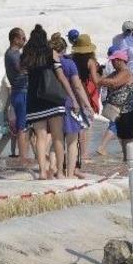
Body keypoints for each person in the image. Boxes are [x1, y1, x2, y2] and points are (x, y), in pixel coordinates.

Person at [22, 25, 75, 180]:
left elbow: (21, 71)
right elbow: (61, 77)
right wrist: (71, 97)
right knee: (58, 136)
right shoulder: (51, 53)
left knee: (41, 137)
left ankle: (42, 172)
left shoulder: (27, 55)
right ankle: (60, 172)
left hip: (34, 99)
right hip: (52, 98)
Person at [50, 33, 94, 178]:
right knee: (72, 141)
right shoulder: (69, 64)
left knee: (56, 140)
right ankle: (69, 174)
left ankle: (53, 169)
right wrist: (88, 105)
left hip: (52, 104)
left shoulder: (48, 64)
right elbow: (77, 87)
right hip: (69, 104)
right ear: (64, 49)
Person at [97, 48, 133, 144]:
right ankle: (126, 154)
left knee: (128, 139)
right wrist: (101, 80)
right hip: (120, 111)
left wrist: (101, 80)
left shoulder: (126, 72)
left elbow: (114, 83)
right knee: (122, 138)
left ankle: (130, 154)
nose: (112, 63)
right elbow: (102, 81)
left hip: (129, 110)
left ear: (120, 61)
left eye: (113, 61)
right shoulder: (115, 73)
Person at [70, 34, 101, 164]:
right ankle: (83, 154)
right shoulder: (90, 62)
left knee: (75, 123)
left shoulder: (71, 59)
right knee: (86, 125)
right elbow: (95, 80)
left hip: (72, 92)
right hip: (85, 92)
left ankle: (74, 152)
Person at [4, 27, 30, 161]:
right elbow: (22, 68)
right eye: (23, 38)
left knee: (24, 125)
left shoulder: (13, 53)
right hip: (21, 91)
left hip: (19, 91)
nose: (25, 40)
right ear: (15, 39)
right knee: (22, 126)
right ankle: (23, 157)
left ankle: (24, 155)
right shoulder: (13, 54)